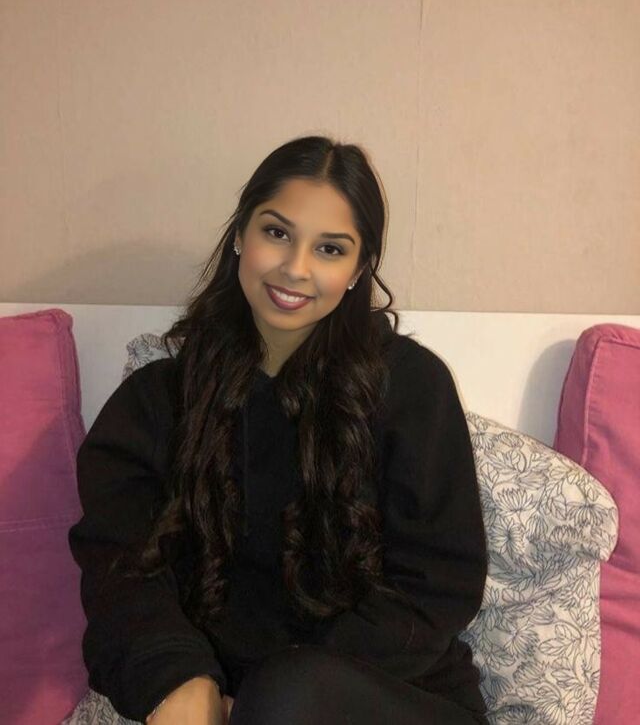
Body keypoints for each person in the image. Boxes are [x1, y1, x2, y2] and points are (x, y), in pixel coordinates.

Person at [68, 135, 489, 724]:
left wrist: (265, 701)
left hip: (388, 697)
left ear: (359, 268)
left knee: (290, 695)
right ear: (240, 234)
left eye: (330, 248)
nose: (296, 268)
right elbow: (121, 571)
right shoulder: (155, 403)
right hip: (224, 702)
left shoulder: (413, 388)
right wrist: (179, 681)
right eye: (277, 233)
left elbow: (438, 584)